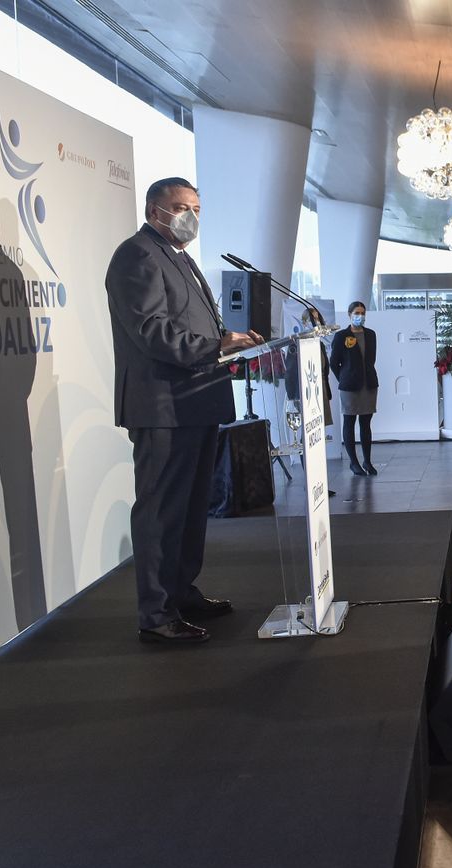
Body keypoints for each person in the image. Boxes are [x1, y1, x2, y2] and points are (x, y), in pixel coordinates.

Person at [106, 176, 262, 644]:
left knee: (193, 510)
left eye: (196, 206)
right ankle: (156, 614)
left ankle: (182, 592)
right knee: (161, 513)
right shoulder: (136, 254)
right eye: (181, 206)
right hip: (163, 407)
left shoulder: (181, 257)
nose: (190, 216)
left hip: (196, 401)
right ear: (155, 209)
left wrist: (228, 348)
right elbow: (151, 331)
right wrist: (216, 344)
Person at [330, 301, 378, 476]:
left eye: (363, 313)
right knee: (349, 423)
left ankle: (367, 461)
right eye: (357, 313)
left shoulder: (371, 334)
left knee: (366, 424)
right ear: (349, 314)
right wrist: (344, 377)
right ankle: (354, 462)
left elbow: (371, 359)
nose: (360, 316)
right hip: (349, 386)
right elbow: (334, 363)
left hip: (369, 384)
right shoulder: (341, 336)